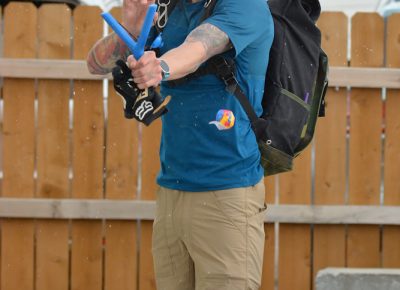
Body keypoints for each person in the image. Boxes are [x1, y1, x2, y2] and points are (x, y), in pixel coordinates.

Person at [87, 0, 274, 289]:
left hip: (227, 195)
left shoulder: (244, 5)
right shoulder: (168, 10)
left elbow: (198, 48)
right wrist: (133, 28)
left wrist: (159, 67)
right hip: (171, 193)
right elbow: (94, 64)